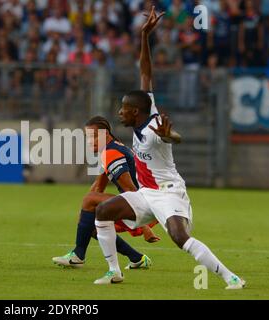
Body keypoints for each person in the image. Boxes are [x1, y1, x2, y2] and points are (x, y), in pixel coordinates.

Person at [92, 7, 245, 290]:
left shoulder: (153, 129)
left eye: (124, 109)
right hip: (146, 194)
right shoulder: (146, 106)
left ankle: (230, 277)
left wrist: (170, 135)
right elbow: (145, 72)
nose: (120, 112)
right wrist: (144, 37)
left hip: (168, 192)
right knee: (102, 212)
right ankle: (114, 272)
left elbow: (175, 138)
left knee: (180, 238)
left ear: (136, 112)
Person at [52, 116, 160, 269]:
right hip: (142, 203)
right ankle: (137, 259)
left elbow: (130, 190)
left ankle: (78, 255)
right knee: (91, 224)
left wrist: (145, 228)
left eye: (94, 136)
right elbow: (98, 187)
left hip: (145, 205)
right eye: (88, 137)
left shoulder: (112, 153)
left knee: (90, 204)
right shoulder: (110, 150)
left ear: (106, 134)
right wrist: (84, 212)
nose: (91, 141)